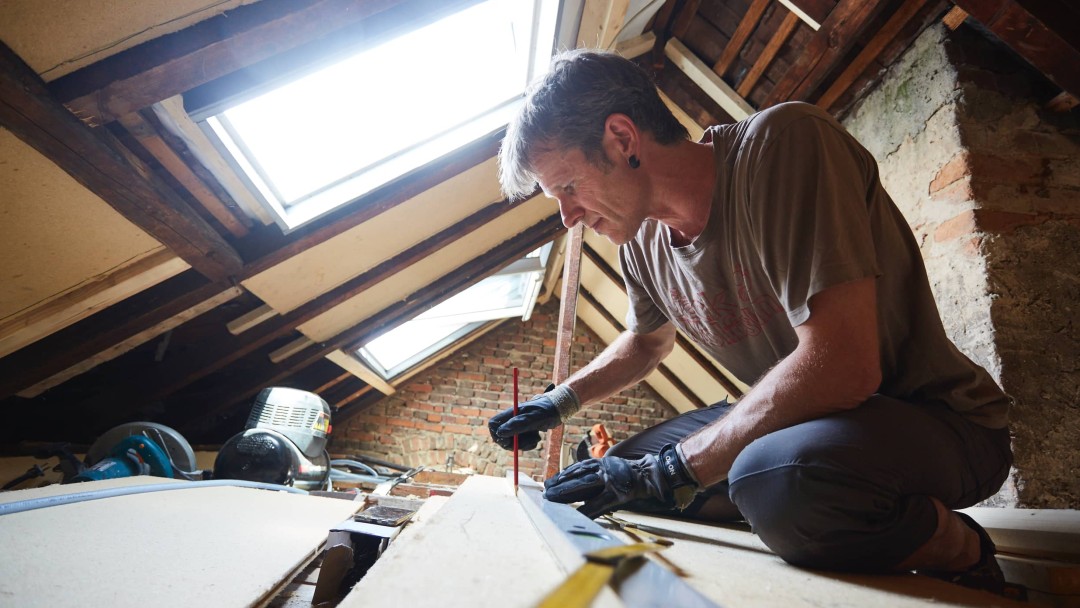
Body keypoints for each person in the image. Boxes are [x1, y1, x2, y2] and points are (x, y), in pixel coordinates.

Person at [486, 48, 1015, 593]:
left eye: (568, 188)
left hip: (938, 422)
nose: (568, 217)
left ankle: (960, 547)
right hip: (810, 423)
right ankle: (805, 510)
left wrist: (673, 471)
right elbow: (645, 344)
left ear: (622, 139)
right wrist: (557, 402)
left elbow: (844, 367)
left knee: (773, 481)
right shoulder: (640, 243)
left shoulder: (783, 146)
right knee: (620, 472)